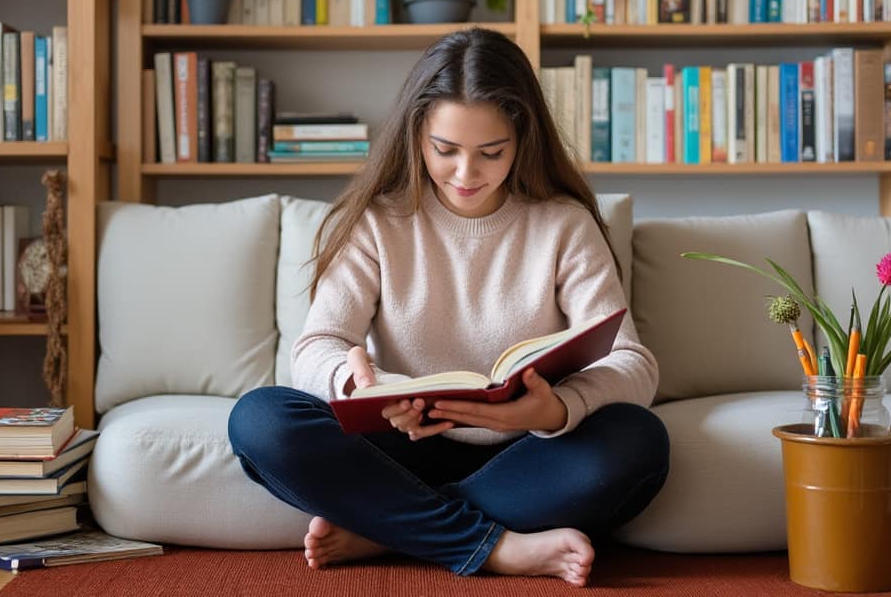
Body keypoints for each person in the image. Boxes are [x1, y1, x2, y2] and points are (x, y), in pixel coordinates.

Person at [228, 28, 669, 587]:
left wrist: (554, 411)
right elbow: (318, 346)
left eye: (491, 153)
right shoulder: (378, 221)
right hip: (401, 443)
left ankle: (391, 528)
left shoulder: (564, 224)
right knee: (260, 420)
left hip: (526, 451)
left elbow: (632, 363)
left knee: (638, 440)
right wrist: (357, 383)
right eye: (445, 150)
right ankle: (497, 547)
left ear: (523, 138)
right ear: (416, 135)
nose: (466, 174)